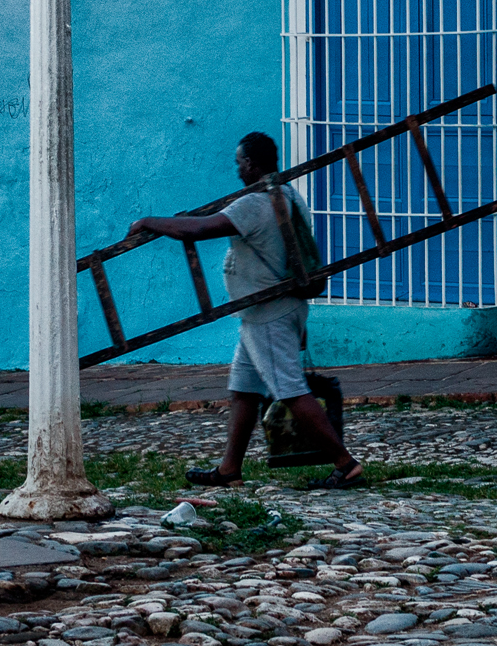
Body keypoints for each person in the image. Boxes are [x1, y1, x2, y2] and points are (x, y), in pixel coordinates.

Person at [126, 132, 365, 489]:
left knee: (290, 391)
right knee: (243, 389)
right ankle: (229, 469)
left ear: (251, 164)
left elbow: (204, 227)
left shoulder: (254, 203)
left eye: (239, 162)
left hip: (268, 314)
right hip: (272, 312)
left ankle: (345, 464)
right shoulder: (289, 196)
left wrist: (150, 222)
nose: (237, 169)